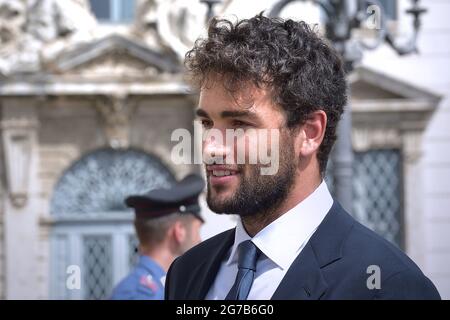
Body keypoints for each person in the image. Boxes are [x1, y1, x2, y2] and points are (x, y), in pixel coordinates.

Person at [164, 14, 441, 300]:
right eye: (207, 123)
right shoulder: (187, 273)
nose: (211, 148)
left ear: (309, 133)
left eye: (240, 125)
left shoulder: (389, 286)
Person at [111, 174, 204, 300]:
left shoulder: (157, 286)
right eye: (197, 230)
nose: (200, 240)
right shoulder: (144, 294)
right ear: (179, 232)